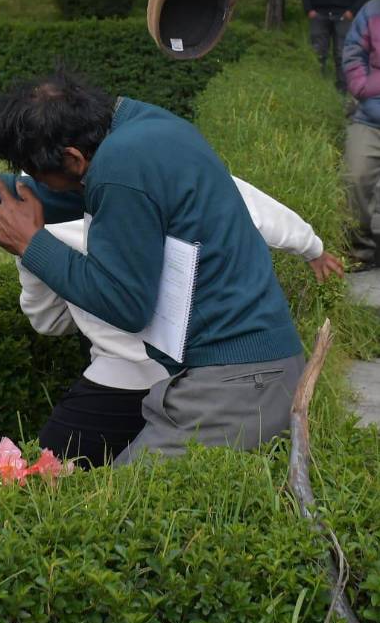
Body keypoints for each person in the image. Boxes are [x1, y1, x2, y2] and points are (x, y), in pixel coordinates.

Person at [0, 70, 307, 464]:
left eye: (41, 176)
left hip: (235, 382)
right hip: (246, 371)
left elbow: (125, 304)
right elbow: (42, 195)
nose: (36, 187)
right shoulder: (138, 128)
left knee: (124, 511)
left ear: (75, 159)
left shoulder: (119, 169)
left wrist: (31, 244)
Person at [18, 176, 343, 468]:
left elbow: (49, 321)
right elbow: (254, 207)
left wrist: (31, 255)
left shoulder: (31, 209)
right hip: (202, 372)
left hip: (120, 376)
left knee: (41, 478)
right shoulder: (153, 166)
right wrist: (313, 249)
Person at [342, 0, 380, 270]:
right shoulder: (372, 10)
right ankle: (361, 248)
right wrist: (363, 89)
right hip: (369, 116)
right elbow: (354, 50)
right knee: (355, 177)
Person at [302, 0, 369, 91]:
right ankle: (314, 86)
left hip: (345, 15)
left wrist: (352, 11)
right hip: (319, 14)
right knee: (317, 52)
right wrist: (309, 9)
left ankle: (344, 88)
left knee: (343, 53)